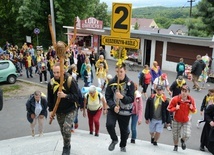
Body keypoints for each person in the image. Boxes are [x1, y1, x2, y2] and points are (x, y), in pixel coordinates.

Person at [47, 62, 79, 155]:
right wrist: (51, 110)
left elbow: (76, 96)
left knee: (66, 127)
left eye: (58, 72)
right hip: (59, 111)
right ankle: (67, 143)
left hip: (71, 109)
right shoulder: (51, 83)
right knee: (63, 130)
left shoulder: (70, 81)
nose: (56, 75)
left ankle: (66, 147)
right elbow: (50, 98)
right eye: (54, 72)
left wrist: (65, 95)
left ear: (63, 71)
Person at [105, 62, 135, 152]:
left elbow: (131, 99)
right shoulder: (111, 82)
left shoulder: (130, 84)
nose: (119, 74)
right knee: (109, 125)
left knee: (124, 131)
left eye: (121, 71)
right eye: (117, 71)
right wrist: (113, 106)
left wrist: (122, 97)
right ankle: (114, 139)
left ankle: (123, 145)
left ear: (125, 71)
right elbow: (108, 96)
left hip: (125, 111)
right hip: (114, 109)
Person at [167, 85, 197, 152]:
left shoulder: (191, 100)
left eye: (185, 91)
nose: (183, 93)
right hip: (176, 119)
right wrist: (175, 108)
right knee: (175, 134)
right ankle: (176, 146)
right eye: (182, 91)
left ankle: (183, 140)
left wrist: (191, 107)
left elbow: (195, 111)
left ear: (188, 92)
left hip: (186, 120)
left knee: (187, 134)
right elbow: (168, 108)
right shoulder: (175, 99)